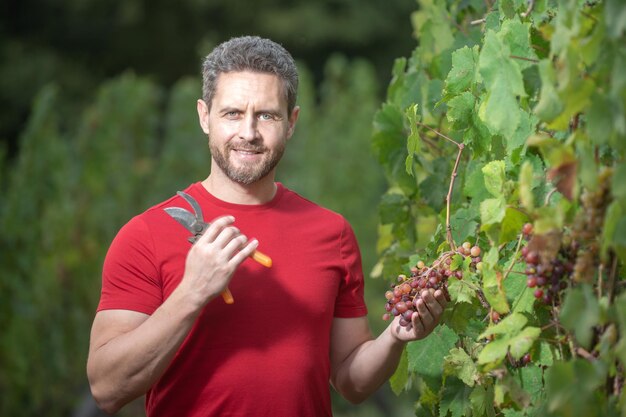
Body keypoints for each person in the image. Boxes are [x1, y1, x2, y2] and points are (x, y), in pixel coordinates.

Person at [86, 36, 447, 417]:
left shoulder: (331, 233)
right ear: (204, 116)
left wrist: (395, 337)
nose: (249, 132)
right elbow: (107, 389)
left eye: (267, 115)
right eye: (232, 114)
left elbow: (350, 381)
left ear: (291, 122)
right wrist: (190, 294)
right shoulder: (145, 236)